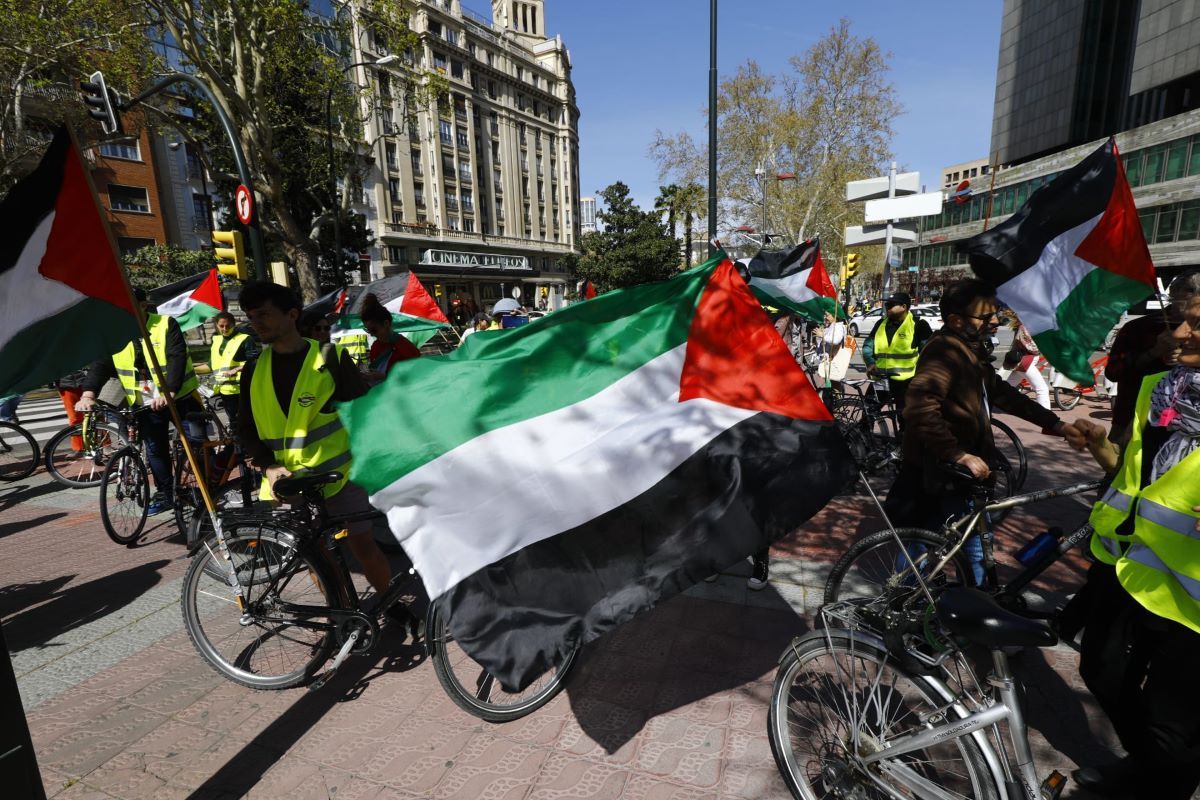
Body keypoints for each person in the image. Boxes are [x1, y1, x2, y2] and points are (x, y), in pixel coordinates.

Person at [1067, 286, 1200, 799]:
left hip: (1190, 590)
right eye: (1179, 321)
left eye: (1194, 325)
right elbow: (1133, 470)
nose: (1179, 334)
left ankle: (1158, 779)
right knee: (1100, 668)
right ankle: (1146, 761)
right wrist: (1101, 447)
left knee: (1174, 721)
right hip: (1126, 561)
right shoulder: (1157, 390)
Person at [884, 279, 1089, 582]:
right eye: (986, 316)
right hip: (942, 473)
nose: (995, 321)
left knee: (970, 545)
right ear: (956, 320)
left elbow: (1002, 393)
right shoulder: (944, 352)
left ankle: (973, 605)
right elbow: (919, 407)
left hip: (962, 474)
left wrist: (1056, 424)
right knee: (930, 547)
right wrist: (958, 454)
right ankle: (899, 609)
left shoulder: (969, 350)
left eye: (996, 314)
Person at [235, 281, 407, 619]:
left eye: (264, 315)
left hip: (339, 476)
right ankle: (341, 610)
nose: (257, 323)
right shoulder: (254, 369)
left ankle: (390, 604)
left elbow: (361, 414)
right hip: (286, 481)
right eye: (252, 317)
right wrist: (268, 467)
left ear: (292, 315)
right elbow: (245, 428)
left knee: (363, 545)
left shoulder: (329, 357)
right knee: (313, 556)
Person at [77, 288, 203, 516]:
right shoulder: (115, 332)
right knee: (156, 449)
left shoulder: (165, 324)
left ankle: (205, 490)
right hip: (145, 402)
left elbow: (177, 357)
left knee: (196, 444)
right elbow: (101, 365)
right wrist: (88, 393)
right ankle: (166, 493)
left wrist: (170, 391)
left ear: (144, 306)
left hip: (180, 398)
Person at [1106, 271, 1200, 444]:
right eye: (1189, 290)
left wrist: (1187, 360)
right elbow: (1113, 372)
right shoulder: (1137, 328)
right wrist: (1153, 352)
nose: (1183, 332)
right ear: (1173, 293)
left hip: (1186, 429)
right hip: (1131, 420)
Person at [861, 292, 934, 419]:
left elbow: (928, 353)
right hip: (881, 378)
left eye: (891, 305)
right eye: (887, 304)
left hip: (905, 383)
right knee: (868, 413)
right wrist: (870, 362)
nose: (887, 307)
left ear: (904, 307)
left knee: (904, 418)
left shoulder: (918, 325)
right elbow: (868, 346)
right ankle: (862, 437)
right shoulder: (880, 324)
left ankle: (902, 438)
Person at [206, 311, 257, 429]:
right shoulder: (216, 340)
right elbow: (210, 365)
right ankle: (235, 445)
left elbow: (255, 361)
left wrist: (237, 369)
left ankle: (246, 446)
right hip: (225, 390)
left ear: (234, 324)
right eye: (221, 326)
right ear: (217, 326)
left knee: (247, 423)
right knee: (234, 423)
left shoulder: (245, 339)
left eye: (228, 326)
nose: (225, 329)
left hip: (242, 389)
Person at [360, 293, 421, 383]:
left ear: (386, 324)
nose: (372, 335)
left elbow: (418, 375)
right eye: (368, 331)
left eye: (374, 330)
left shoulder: (405, 347)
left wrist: (384, 377)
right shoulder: (375, 346)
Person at [1002, 312, 1050, 409]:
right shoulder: (1025, 326)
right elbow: (1032, 348)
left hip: (1022, 362)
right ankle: (1046, 414)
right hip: (1025, 362)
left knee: (1007, 387)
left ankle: (990, 401)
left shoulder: (1029, 325)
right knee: (1042, 389)